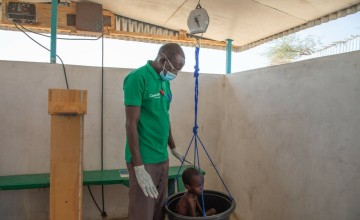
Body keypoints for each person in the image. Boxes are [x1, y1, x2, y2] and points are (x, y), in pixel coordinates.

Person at [123, 43, 188, 220]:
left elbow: (164, 118)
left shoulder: (165, 83)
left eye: (178, 71)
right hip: (144, 159)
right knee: (142, 212)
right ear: (162, 60)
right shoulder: (137, 78)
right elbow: (131, 124)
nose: (175, 74)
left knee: (159, 211)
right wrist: (139, 167)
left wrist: (173, 148)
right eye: (174, 69)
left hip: (162, 157)